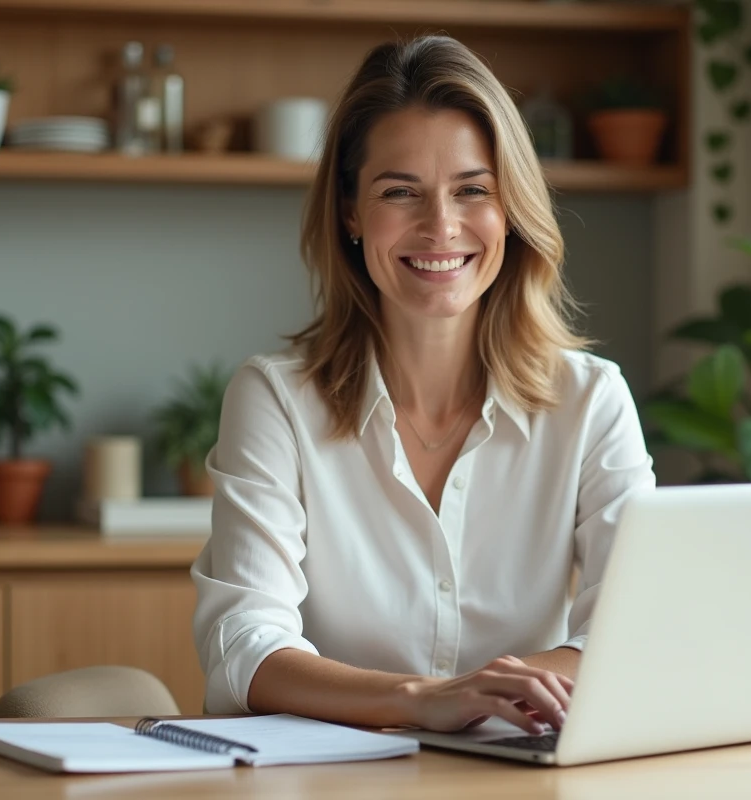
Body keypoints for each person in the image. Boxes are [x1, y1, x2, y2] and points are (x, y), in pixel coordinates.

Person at [191, 35, 655, 736]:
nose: (441, 226)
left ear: (511, 209)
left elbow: (634, 631)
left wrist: (479, 696)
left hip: (522, 774)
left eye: (473, 190)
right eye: (400, 192)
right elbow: (244, 649)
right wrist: (421, 699)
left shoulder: (591, 400)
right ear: (350, 212)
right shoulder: (276, 400)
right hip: (333, 777)